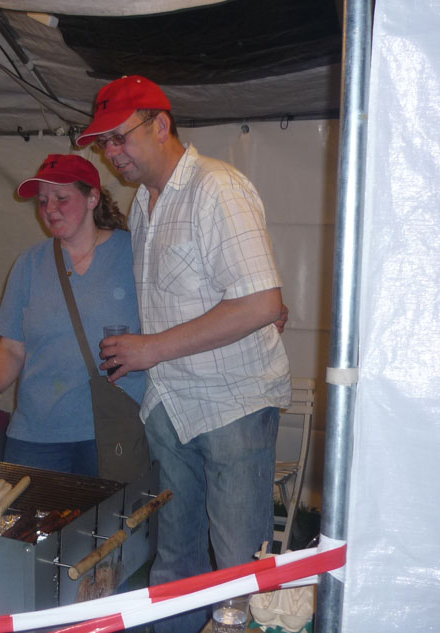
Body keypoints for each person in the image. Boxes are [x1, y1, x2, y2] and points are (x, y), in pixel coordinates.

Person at [76, 76, 291, 632]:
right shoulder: (144, 205)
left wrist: (150, 349)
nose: (111, 153)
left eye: (120, 138)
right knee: (175, 561)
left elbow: (262, 303)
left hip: (231, 407)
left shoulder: (216, 187)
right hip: (172, 406)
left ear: (161, 125)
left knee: (239, 573)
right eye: (104, 143)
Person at [0, 154, 145, 477]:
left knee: (110, 513)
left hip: (112, 431)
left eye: (61, 198)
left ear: (92, 198)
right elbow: (11, 348)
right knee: (32, 513)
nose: (50, 209)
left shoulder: (135, 253)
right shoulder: (30, 263)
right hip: (36, 435)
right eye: (42, 201)